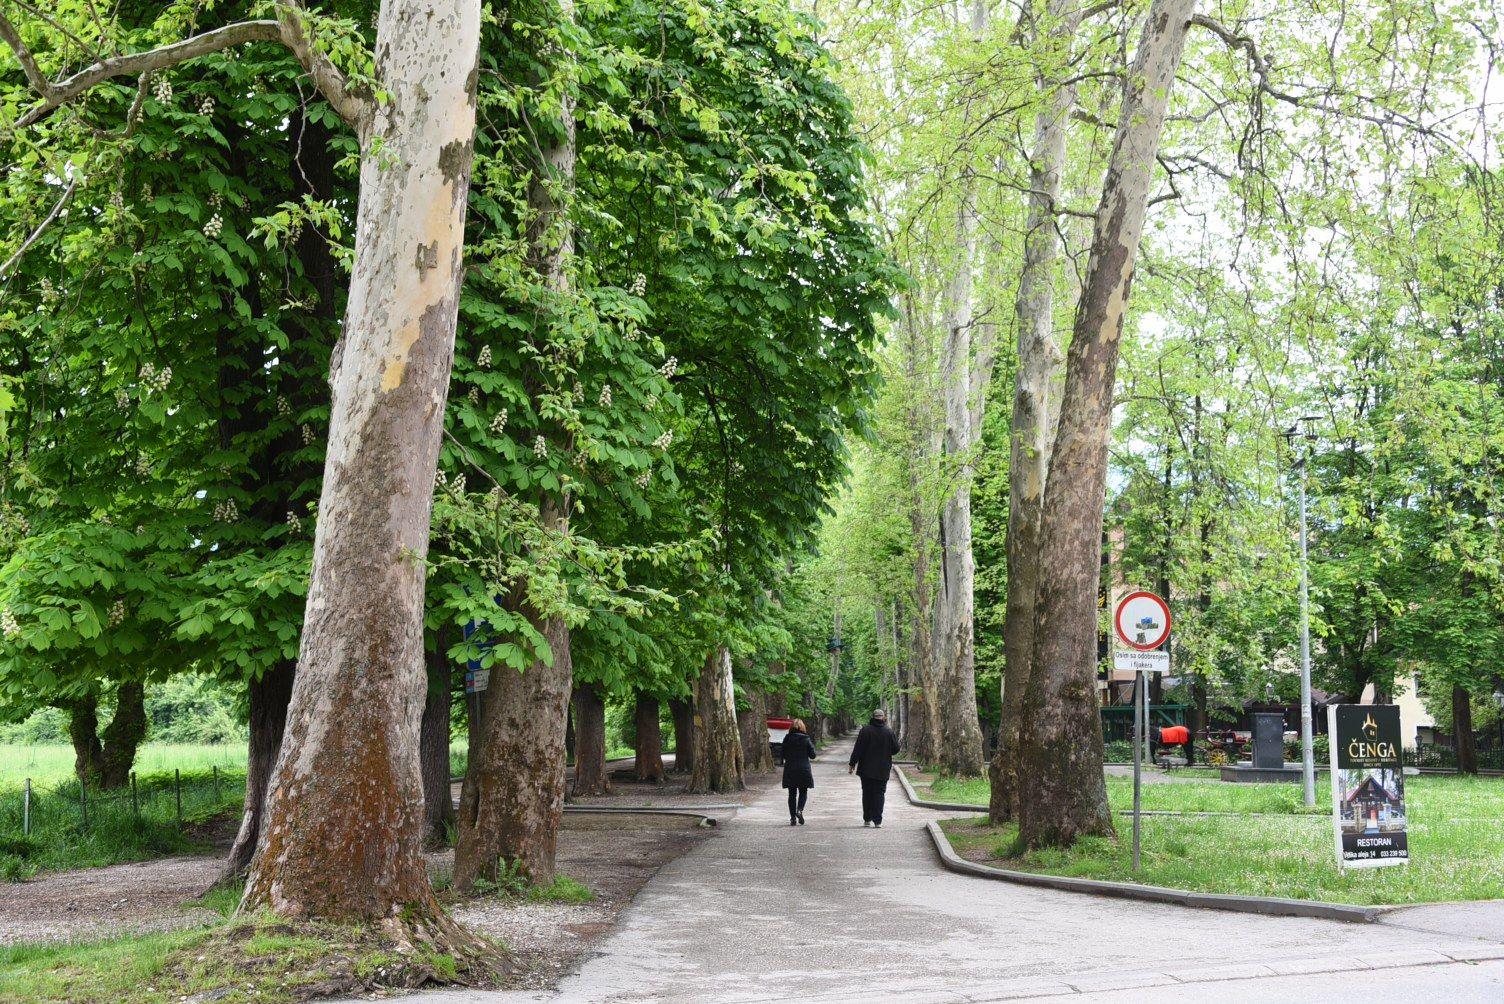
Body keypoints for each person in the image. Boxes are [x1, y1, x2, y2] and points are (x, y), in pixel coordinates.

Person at [848, 708, 900, 827]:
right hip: (883, 768)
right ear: (883, 717)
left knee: (867, 793)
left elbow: (858, 749)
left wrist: (852, 764)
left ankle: (867, 819)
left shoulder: (865, 730)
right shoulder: (889, 732)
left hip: (866, 769)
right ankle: (878, 821)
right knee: (879, 793)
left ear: (873, 717)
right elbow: (896, 749)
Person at [781, 718, 816, 826]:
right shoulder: (806, 739)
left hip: (790, 769)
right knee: (803, 792)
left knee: (792, 794)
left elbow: (782, 754)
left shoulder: (787, 738)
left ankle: (792, 818)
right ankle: (799, 810)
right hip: (803, 769)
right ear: (803, 728)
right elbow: (813, 755)